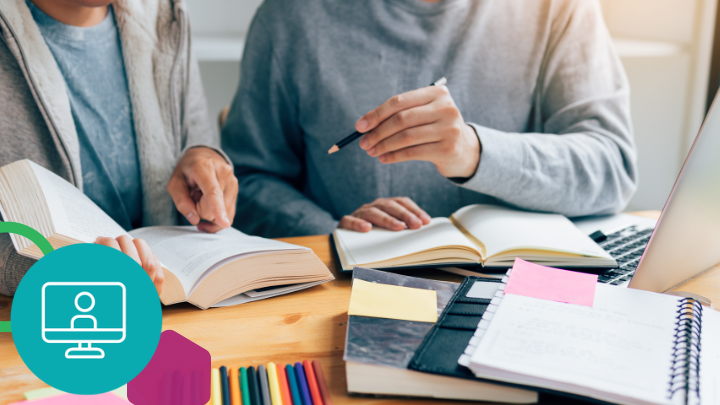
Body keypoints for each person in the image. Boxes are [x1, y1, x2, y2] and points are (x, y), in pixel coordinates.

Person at [222, 0, 638, 238]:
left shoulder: (559, 8)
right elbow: (250, 180)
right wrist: (336, 233)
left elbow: (611, 167)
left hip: (521, 292)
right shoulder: (292, 16)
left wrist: (475, 153)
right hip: (348, 291)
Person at [0, 0, 238, 296]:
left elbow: (195, 140)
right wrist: (56, 272)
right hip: (46, 320)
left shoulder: (164, 13)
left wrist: (204, 161)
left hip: (167, 311)